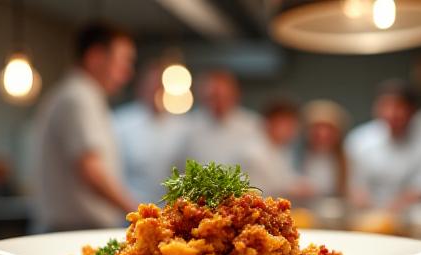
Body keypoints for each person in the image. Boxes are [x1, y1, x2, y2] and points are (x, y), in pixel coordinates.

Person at [29, 22, 137, 233]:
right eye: (123, 61)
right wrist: (137, 212)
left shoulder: (82, 95)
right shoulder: (78, 97)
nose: (127, 72)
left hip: (76, 229)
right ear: (95, 57)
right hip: (72, 231)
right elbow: (90, 168)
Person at [345, 80, 421, 214]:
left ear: (412, 110)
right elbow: (355, 186)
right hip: (367, 213)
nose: (391, 113)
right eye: (385, 106)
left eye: (398, 107)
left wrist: (391, 209)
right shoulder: (359, 139)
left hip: (410, 214)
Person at [113, 62, 188, 204]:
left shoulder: (182, 125)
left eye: (160, 86)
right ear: (141, 88)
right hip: (130, 207)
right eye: (152, 85)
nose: (156, 90)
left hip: (169, 209)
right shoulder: (121, 122)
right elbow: (113, 171)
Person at [181, 70, 262, 166]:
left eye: (224, 97)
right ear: (202, 96)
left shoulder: (254, 125)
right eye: (213, 97)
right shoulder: (188, 126)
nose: (218, 103)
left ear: (235, 94)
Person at [243, 98, 312, 199]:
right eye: (287, 123)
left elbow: (285, 177)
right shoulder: (254, 153)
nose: (293, 129)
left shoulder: (281, 149)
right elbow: (263, 190)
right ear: (270, 122)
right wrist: (295, 188)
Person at [301, 99, 350, 198]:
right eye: (317, 128)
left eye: (329, 128)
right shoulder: (296, 155)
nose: (322, 134)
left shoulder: (346, 159)